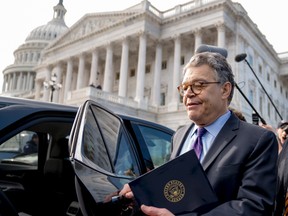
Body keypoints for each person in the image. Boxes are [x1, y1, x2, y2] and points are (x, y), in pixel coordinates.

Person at [120, 51, 278, 215]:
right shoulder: (179, 136)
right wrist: (141, 195)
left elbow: (254, 207)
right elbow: (174, 191)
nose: (188, 93)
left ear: (225, 90)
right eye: (185, 87)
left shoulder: (258, 140)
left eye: (199, 85)